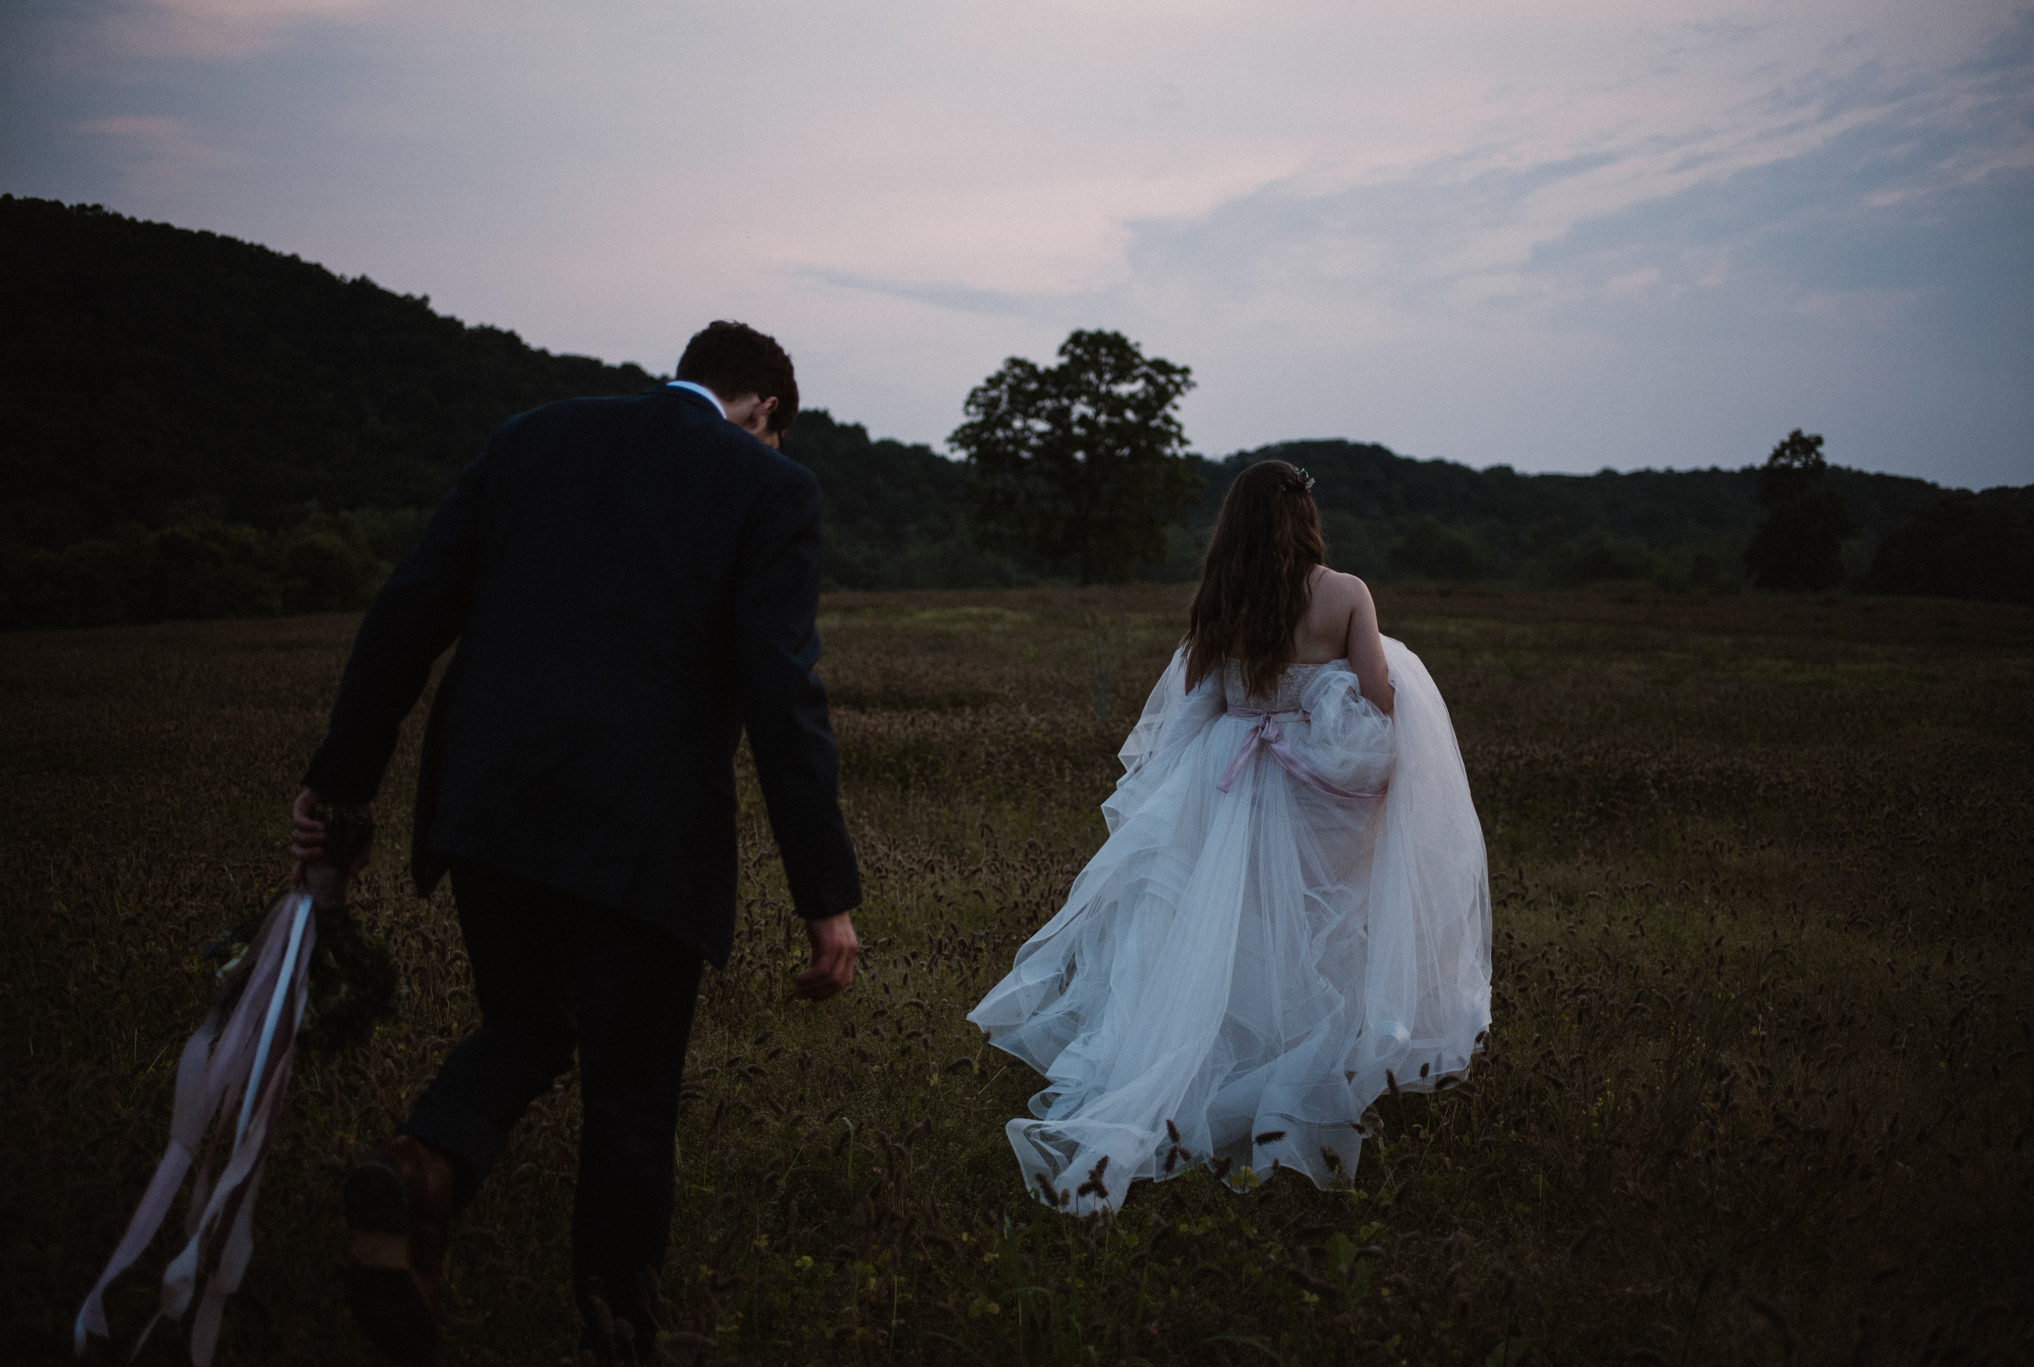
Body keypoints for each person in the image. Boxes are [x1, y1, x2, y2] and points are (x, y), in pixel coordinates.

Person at [289, 321, 862, 1365]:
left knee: (524, 1018)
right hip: (642, 830)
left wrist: (340, 787)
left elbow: (409, 607)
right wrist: (823, 893)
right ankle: (613, 1327)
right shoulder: (767, 486)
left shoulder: (531, 437)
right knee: (631, 1089)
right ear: (766, 410)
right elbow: (783, 693)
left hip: (489, 803)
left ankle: (421, 1168)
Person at [967, 459, 1491, 1215]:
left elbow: (1200, 704)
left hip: (1228, 789)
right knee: (1318, 935)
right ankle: (1287, 1097)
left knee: (1230, 941)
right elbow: (1380, 699)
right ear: (1305, 514)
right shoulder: (1345, 594)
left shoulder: (1222, 596)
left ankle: (1215, 1088)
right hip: (1313, 795)